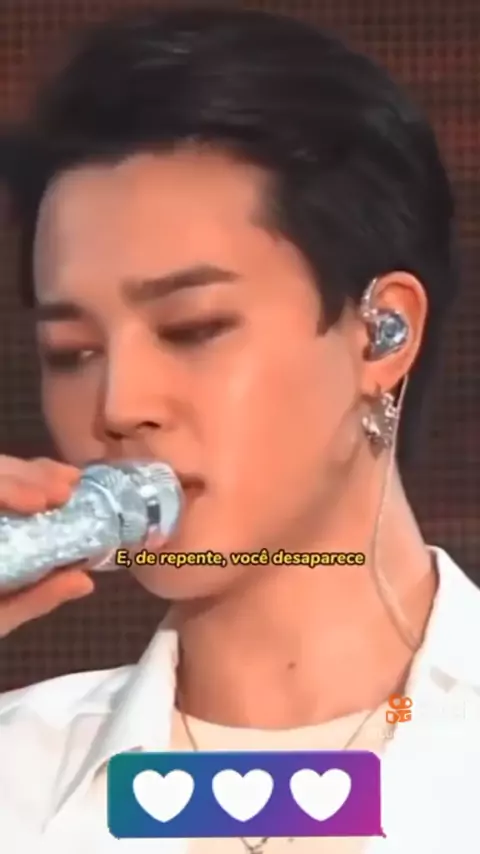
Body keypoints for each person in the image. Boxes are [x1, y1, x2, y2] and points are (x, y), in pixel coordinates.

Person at [0, 6, 478, 853]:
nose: (118, 405)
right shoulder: (21, 771)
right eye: (73, 351)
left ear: (381, 333)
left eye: (193, 328)